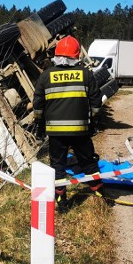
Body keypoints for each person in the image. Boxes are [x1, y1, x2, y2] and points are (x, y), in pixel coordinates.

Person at [32, 35, 103, 207]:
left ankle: (61, 200)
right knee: (88, 162)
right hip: (81, 131)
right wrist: (93, 123)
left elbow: (38, 105)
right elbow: (96, 103)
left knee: (58, 166)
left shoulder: (46, 76)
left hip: (56, 133)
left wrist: (40, 126)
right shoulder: (86, 75)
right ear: (77, 55)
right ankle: (101, 195)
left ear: (56, 55)